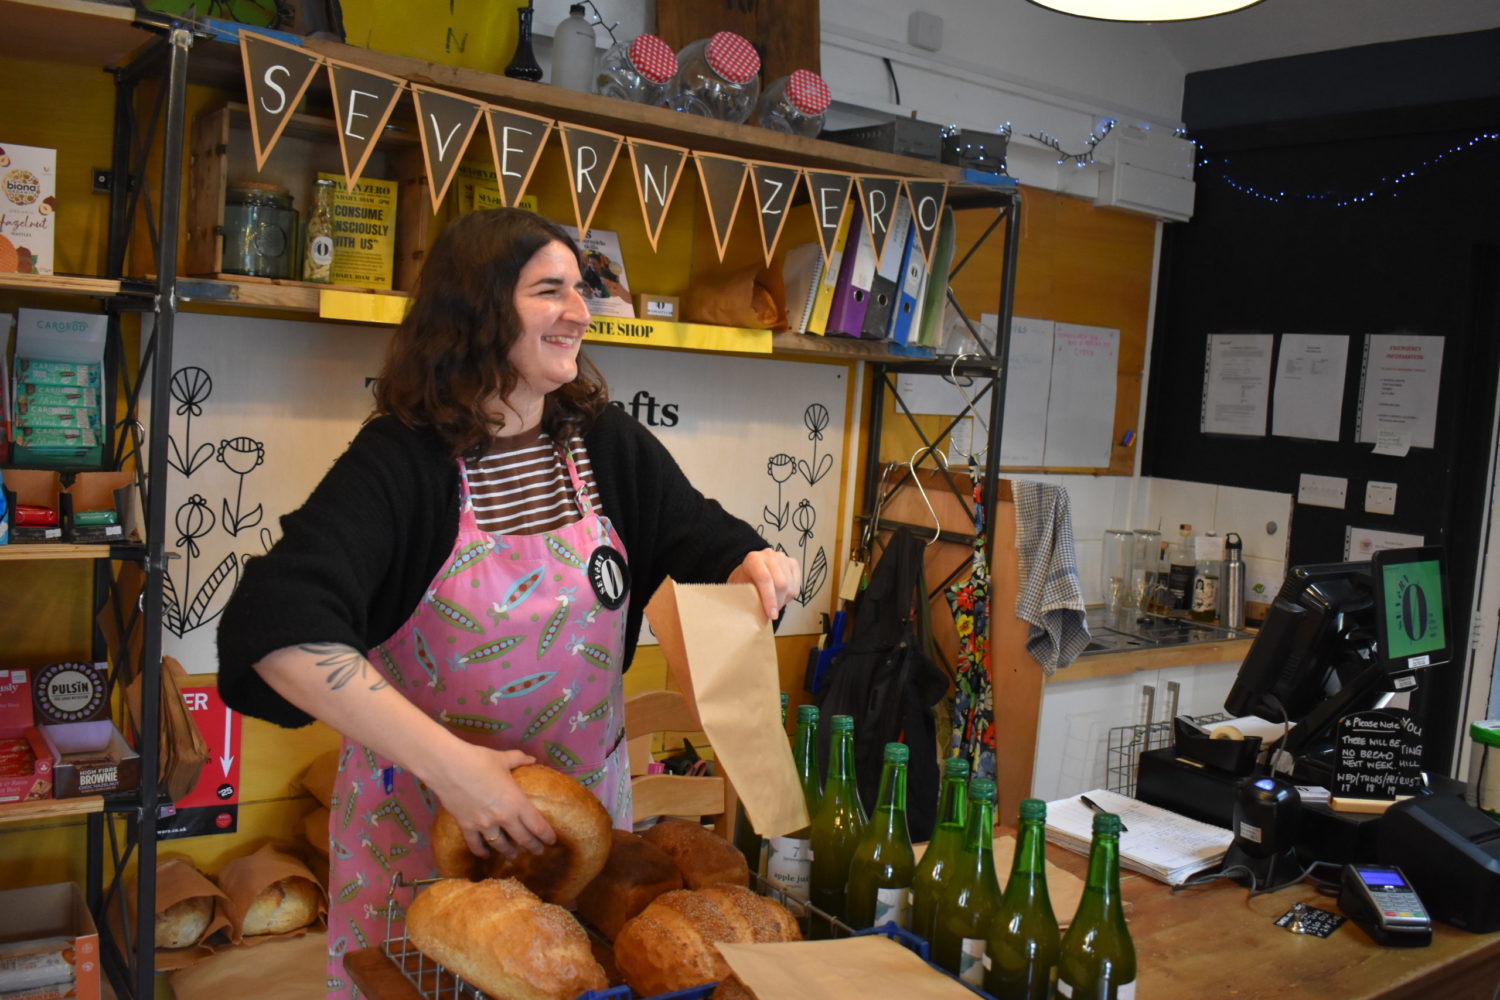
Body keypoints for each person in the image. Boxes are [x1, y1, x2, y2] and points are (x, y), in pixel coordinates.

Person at [216, 208, 799, 996]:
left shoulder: (603, 443)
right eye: (549, 290)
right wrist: (456, 770)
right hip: (420, 842)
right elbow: (274, 624)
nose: (579, 311)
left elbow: (702, 540)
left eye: (581, 288)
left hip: (580, 845)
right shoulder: (399, 463)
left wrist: (755, 566)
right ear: (478, 308)